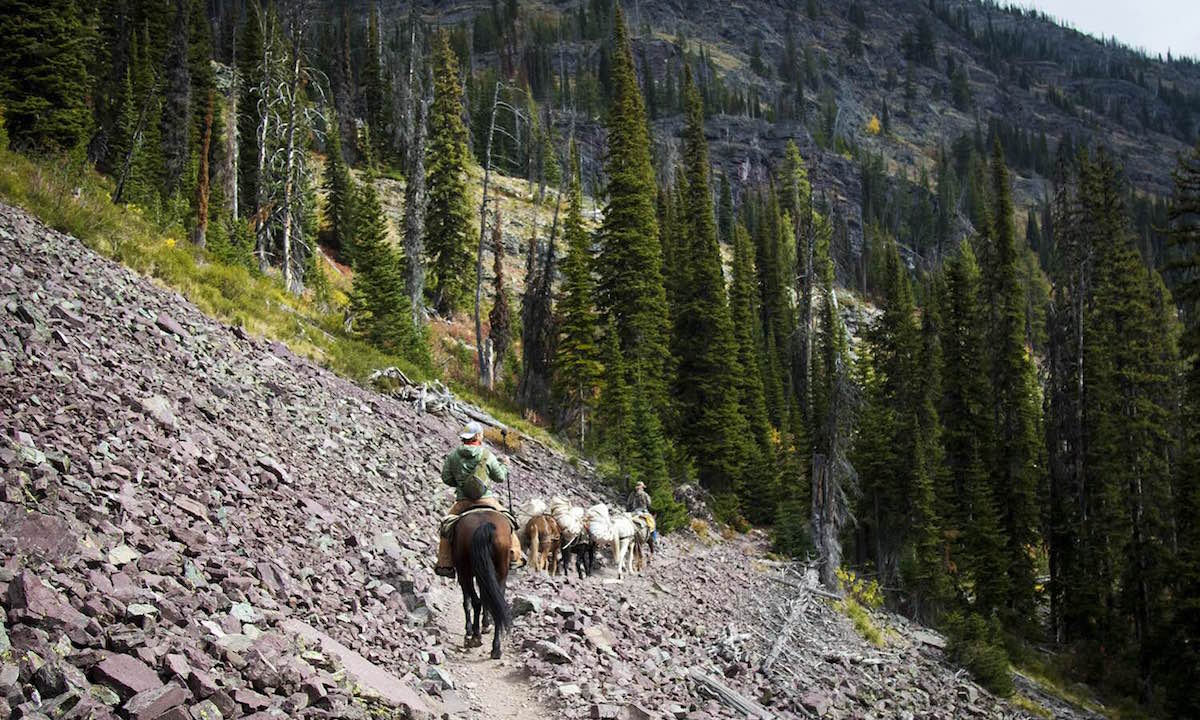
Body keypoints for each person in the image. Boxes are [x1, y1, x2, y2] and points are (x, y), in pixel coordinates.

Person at [434, 422, 524, 578]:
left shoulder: (453, 455)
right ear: (477, 436)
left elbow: (446, 478)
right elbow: (500, 477)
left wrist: (460, 482)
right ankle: (515, 556)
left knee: (446, 527)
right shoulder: (487, 455)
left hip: (463, 501)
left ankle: (445, 563)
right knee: (509, 521)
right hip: (486, 499)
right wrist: (504, 465)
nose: (482, 437)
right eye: (481, 434)